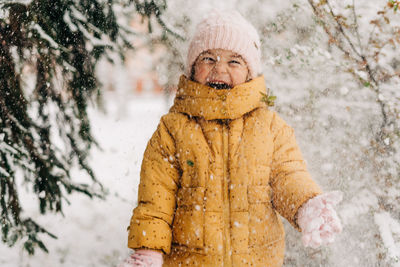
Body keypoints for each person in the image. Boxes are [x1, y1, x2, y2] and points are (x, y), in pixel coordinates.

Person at [120, 9, 342, 267]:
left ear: (250, 72)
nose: (219, 69)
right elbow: (155, 199)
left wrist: (306, 205)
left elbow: (288, 176)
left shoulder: (270, 127)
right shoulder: (173, 130)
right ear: (193, 69)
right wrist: (148, 250)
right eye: (208, 58)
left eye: (234, 61)